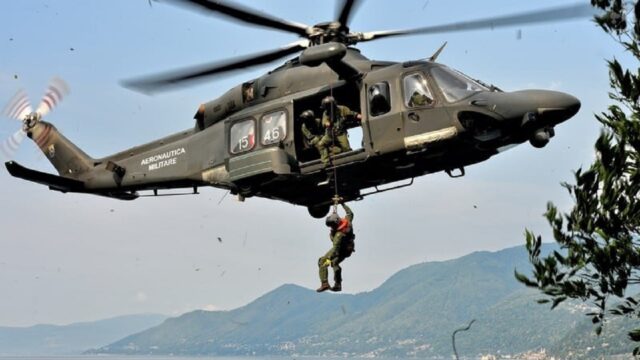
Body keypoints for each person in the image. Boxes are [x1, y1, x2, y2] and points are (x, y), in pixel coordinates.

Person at [317, 200, 355, 293]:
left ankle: (324, 283)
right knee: (334, 263)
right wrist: (343, 203)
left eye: (332, 226)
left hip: (339, 250)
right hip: (347, 250)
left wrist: (328, 259)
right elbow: (350, 213)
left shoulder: (339, 234)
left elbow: (335, 249)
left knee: (322, 262)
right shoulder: (347, 223)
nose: (332, 228)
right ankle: (338, 285)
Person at [316, 96, 361, 166]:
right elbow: (324, 122)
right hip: (330, 134)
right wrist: (327, 123)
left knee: (346, 149)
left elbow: (352, 114)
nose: (327, 108)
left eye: (328, 106)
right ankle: (326, 162)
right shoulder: (326, 113)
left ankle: (353, 162)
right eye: (326, 107)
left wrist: (359, 116)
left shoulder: (342, 109)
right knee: (320, 145)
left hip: (340, 133)